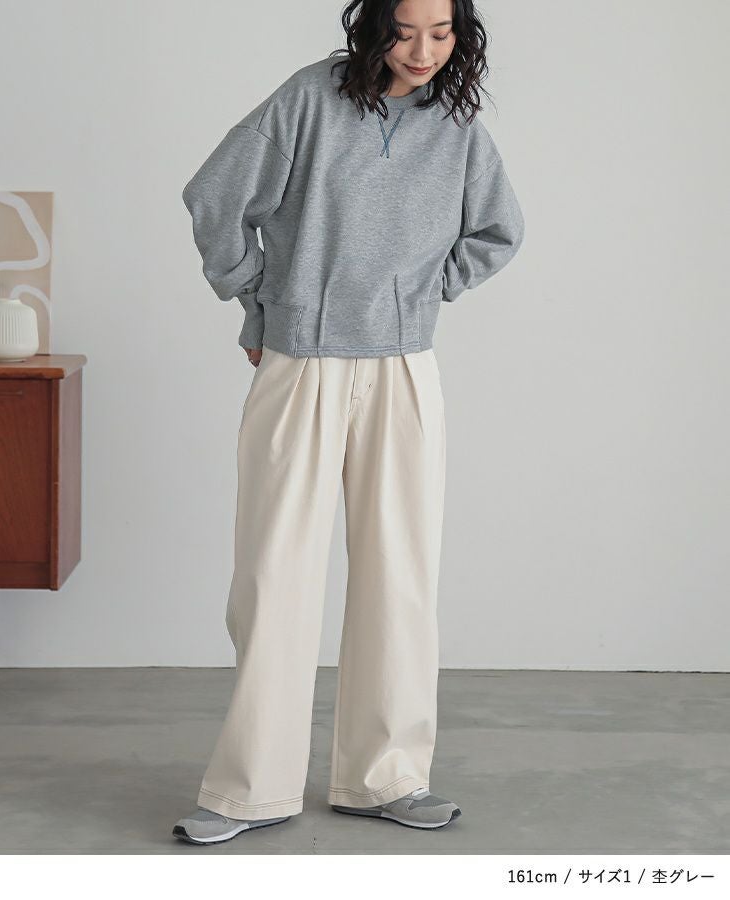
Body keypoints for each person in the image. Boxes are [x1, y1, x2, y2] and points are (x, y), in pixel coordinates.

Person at [173, 0, 524, 846]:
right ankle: (250, 789)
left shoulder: (456, 126)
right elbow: (215, 196)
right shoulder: (308, 99)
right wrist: (259, 302)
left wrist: (424, 293)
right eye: (405, 30)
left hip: (403, 364)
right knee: (274, 573)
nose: (423, 50)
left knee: (402, 573)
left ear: (461, 36)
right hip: (302, 359)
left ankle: (386, 776)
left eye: (441, 32)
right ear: (372, 27)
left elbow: (499, 230)